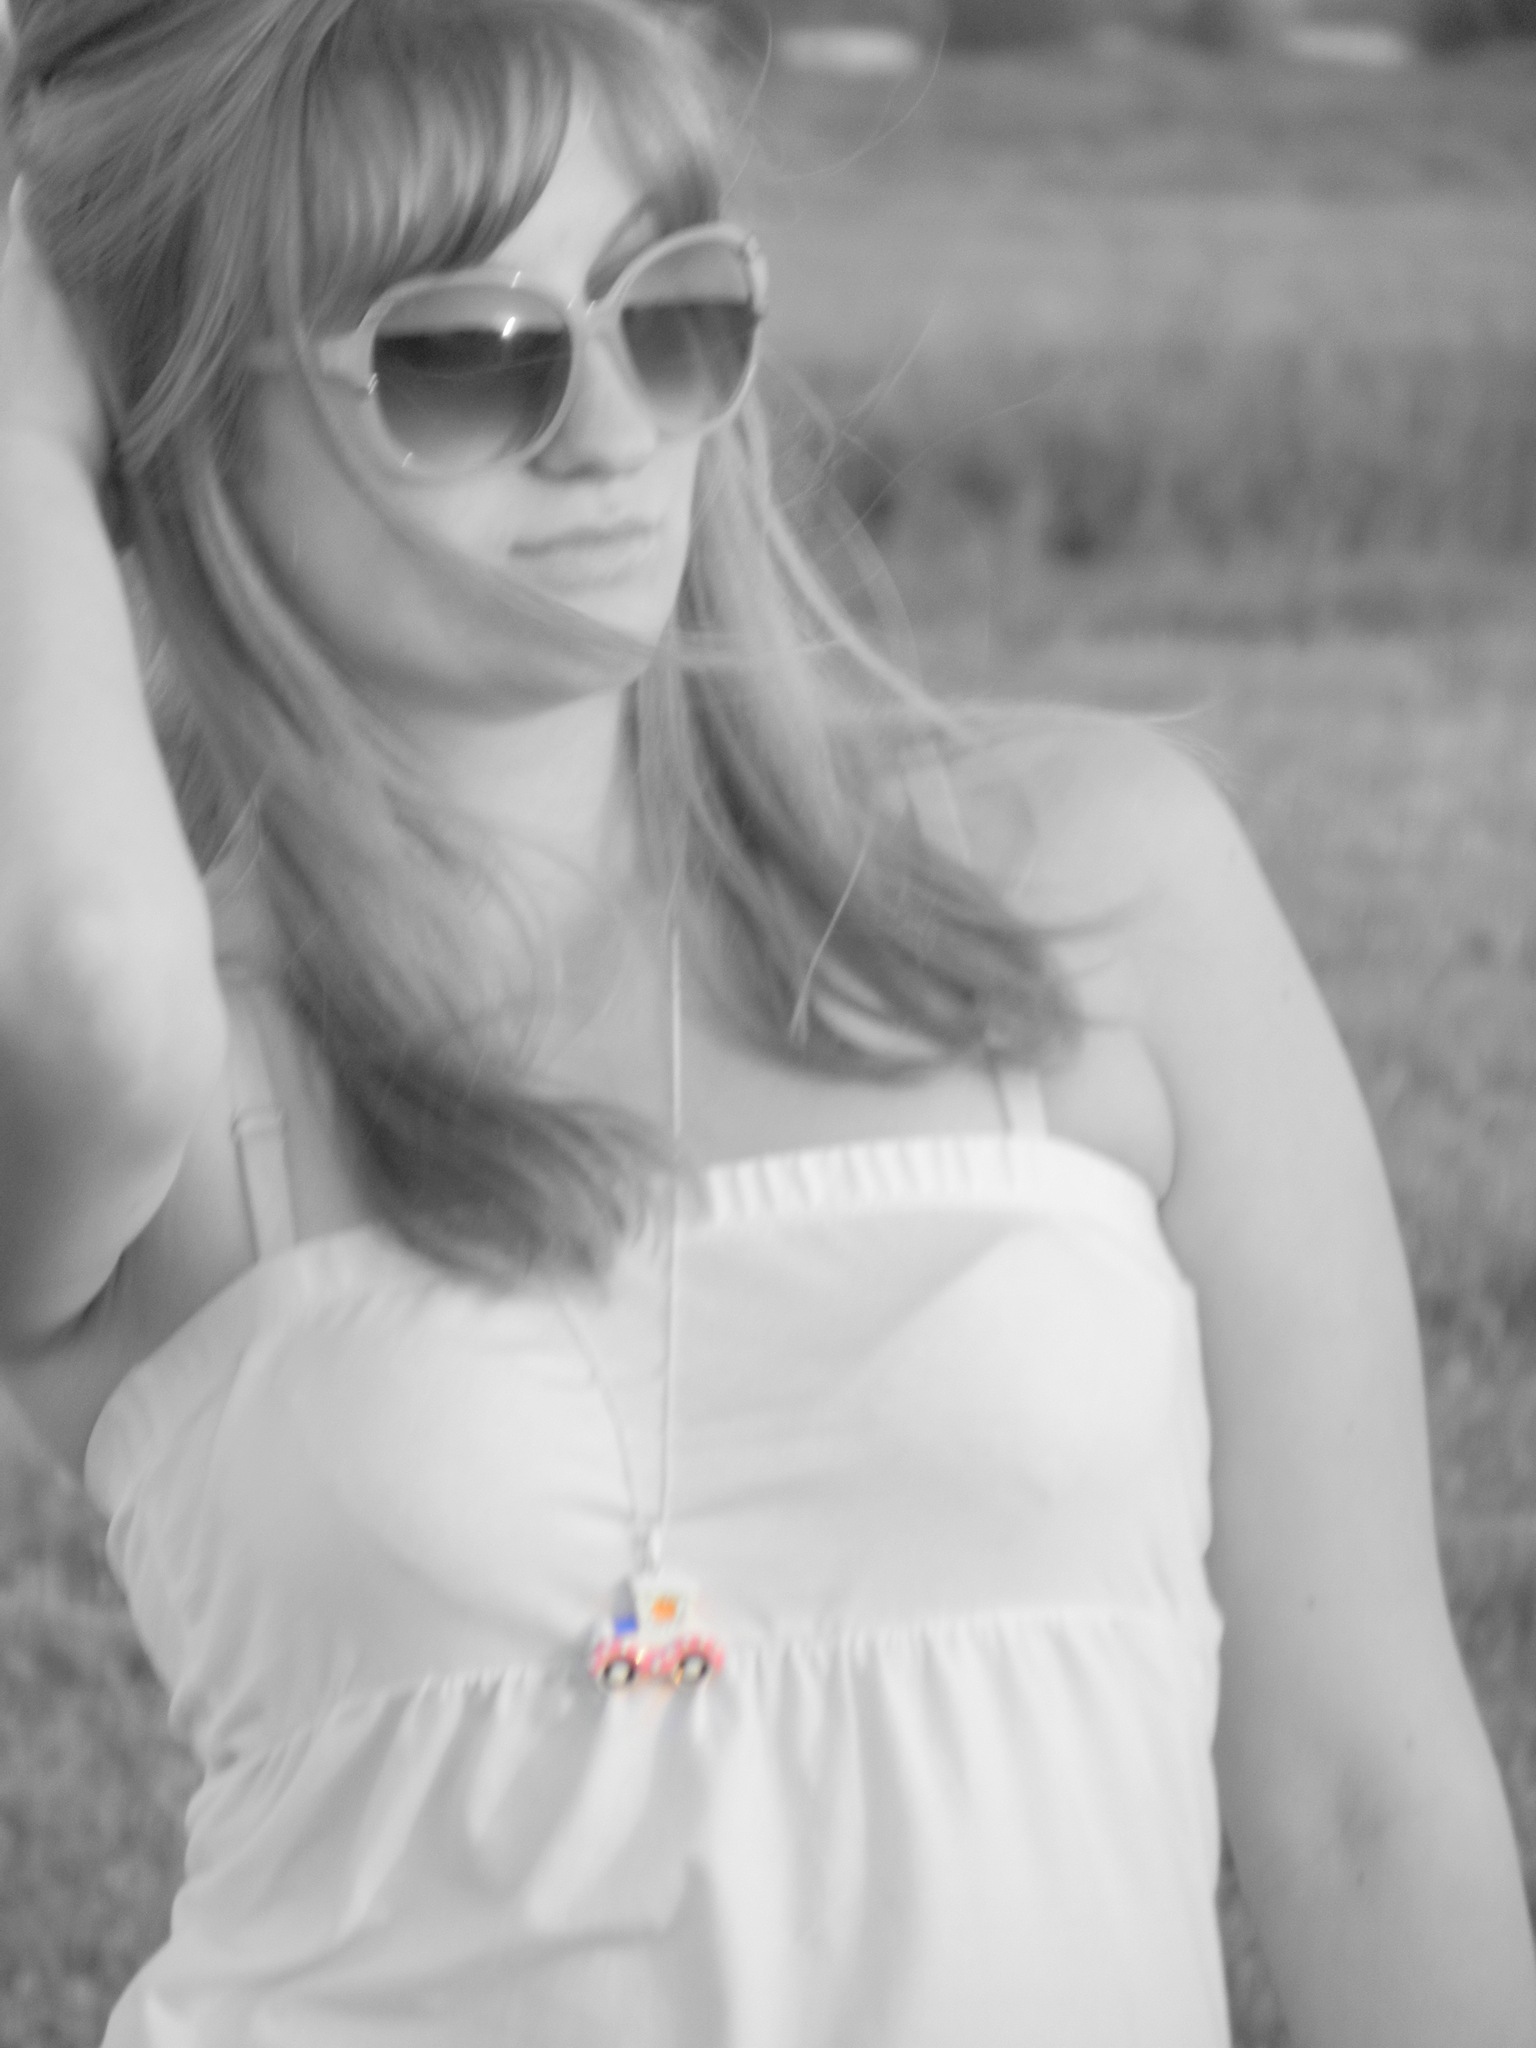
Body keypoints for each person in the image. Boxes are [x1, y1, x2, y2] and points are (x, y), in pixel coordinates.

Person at [0, 1, 1531, 2042]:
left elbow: (1365, 1805)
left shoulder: (1099, 888)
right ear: (172, 425)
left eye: (674, 312)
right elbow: (76, 972)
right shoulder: (165, 1094)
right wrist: (23, 422)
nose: (612, 431)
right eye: (468, 354)